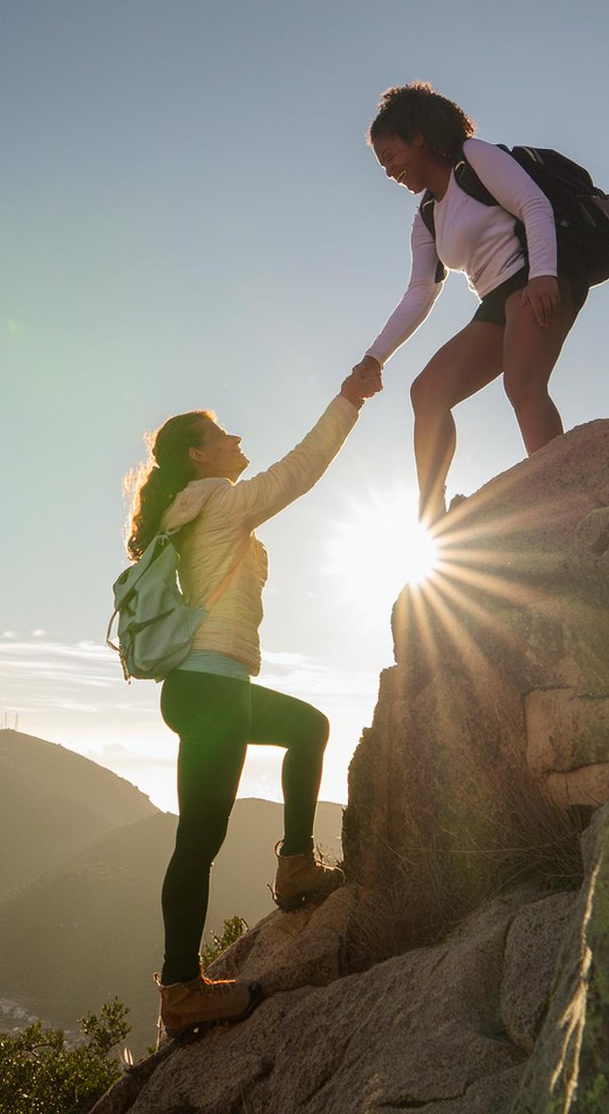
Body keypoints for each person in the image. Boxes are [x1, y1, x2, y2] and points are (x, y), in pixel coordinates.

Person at [124, 365, 380, 1043]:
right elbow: (301, 470)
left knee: (216, 823)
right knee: (204, 837)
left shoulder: (199, 508)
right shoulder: (217, 500)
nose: (236, 438)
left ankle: (292, 870)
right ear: (196, 455)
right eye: (219, 433)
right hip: (210, 690)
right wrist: (348, 401)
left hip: (207, 690)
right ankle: (184, 987)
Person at [355, 82, 590, 526]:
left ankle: (566, 499)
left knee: (523, 385)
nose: (388, 171)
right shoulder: (426, 217)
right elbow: (420, 292)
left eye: (390, 156)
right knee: (427, 393)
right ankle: (431, 517)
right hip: (495, 302)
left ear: (418, 137)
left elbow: (533, 204)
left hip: (537, 275)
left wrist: (543, 274)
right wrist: (374, 357)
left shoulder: (474, 157)